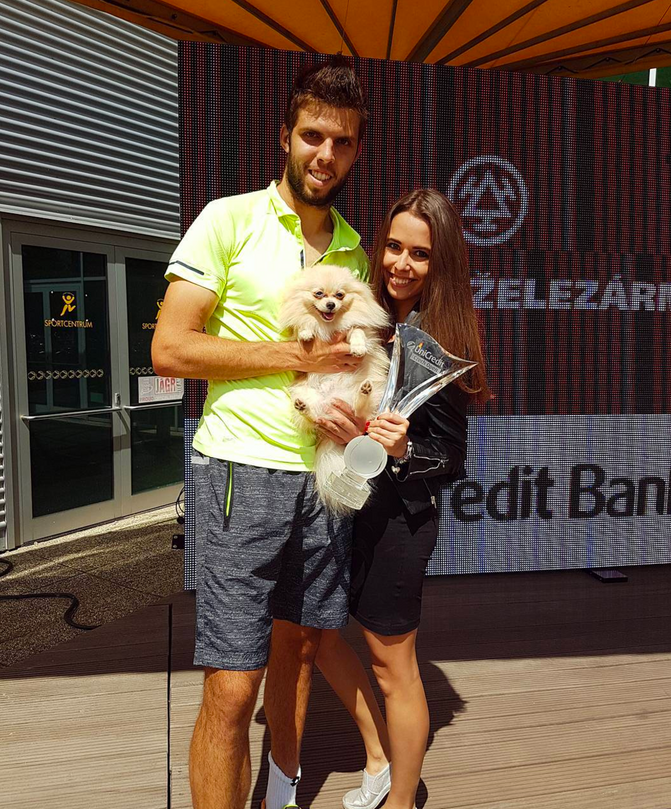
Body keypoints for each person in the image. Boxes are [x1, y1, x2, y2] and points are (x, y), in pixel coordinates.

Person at [151, 58, 370, 809]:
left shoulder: (353, 249)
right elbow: (170, 348)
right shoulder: (228, 218)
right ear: (285, 135)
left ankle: (278, 796)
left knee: (302, 652)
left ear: (354, 151)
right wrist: (293, 355)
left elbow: (353, 368)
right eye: (312, 135)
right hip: (239, 472)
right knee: (232, 681)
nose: (324, 155)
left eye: (341, 142)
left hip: (323, 478)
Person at [313, 188, 491, 809]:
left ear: (439, 265)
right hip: (343, 510)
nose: (402, 264)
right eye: (393, 246)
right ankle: (380, 757)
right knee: (316, 635)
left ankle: (401, 800)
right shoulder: (364, 317)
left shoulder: (437, 340)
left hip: (399, 525)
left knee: (395, 671)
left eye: (420, 254)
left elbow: (453, 460)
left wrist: (404, 452)